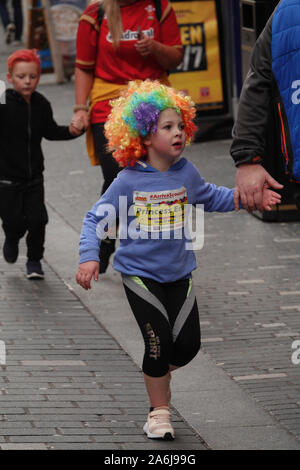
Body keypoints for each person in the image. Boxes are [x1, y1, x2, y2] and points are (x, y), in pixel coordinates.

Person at [75, 80, 280, 440]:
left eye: (181, 125)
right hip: (140, 275)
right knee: (157, 344)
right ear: (143, 135)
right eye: (167, 127)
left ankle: (155, 375)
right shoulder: (127, 180)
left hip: (179, 273)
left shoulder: (186, 172)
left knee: (186, 347)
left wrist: (249, 199)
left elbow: (210, 196)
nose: (177, 133)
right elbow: (95, 218)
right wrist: (90, 258)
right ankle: (159, 411)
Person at [70, 0, 183, 273]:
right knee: (116, 177)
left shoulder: (158, 7)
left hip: (153, 103)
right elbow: (84, 67)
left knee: (151, 181)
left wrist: (155, 49)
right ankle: (105, 243)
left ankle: (145, 249)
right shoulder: (95, 13)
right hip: (108, 105)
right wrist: (80, 108)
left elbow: (176, 57)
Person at [0, 49, 84, 279]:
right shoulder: (4, 103)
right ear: (10, 78)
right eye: (21, 76)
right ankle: (12, 236)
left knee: (38, 221)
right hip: (6, 179)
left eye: (33, 76)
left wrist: (73, 130)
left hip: (34, 177)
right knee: (13, 221)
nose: (27, 81)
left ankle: (34, 261)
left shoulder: (41, 103)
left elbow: (50, 131)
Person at [229, 0, 300, 213]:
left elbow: (257, 81)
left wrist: (247, 160)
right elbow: (259, 82)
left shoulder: (287, 10)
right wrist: (247, 159)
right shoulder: (288, 12)